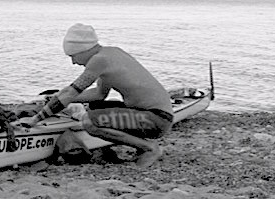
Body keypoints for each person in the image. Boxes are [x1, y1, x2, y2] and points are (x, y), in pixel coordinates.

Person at [15, 24, 174, 167]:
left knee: (89, 121)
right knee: (96, 107)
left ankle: (149, 148)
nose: (74, 62)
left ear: (82, 50)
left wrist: (35, 119)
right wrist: (59, 98)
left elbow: (71, 91)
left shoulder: (99, 60)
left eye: (72, 56)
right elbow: (99, 94)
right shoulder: (111, 53)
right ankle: (141, 146)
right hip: (154, 115)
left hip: (156, 120)